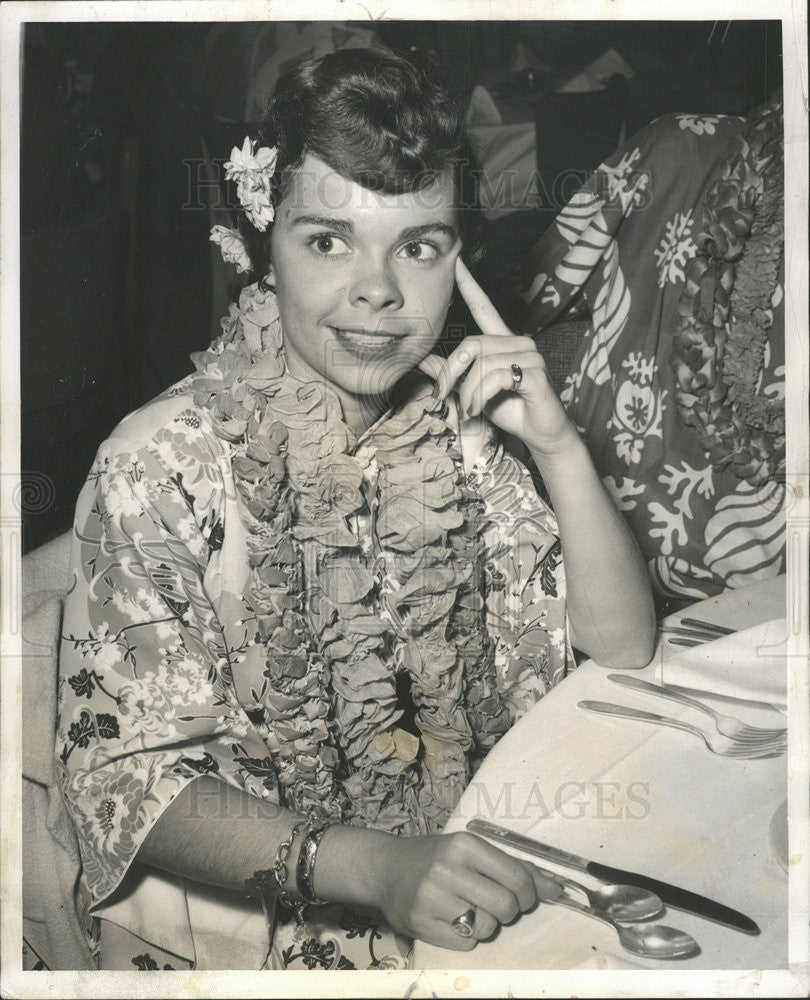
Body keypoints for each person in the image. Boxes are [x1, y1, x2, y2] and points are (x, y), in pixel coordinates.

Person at [55, 46, 655, 971]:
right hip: (232, 940)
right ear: (261, 247)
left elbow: (621, 651)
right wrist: (381, 869)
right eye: (328, 240)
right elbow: (127, 785)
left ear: (459, 265)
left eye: (418, 247)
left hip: (446, 880)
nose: (379, 290)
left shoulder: (460, 434)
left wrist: (560, 449)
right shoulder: (156, 464)